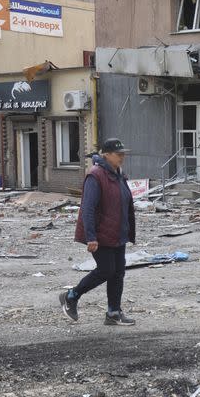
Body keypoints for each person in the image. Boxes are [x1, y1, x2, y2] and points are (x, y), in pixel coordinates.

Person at [59, 138, 136, 326]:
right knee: (106, 270)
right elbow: (88, 208)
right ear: (106, 155)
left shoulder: (119, 175)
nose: (122, 157)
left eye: (123, 154)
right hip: (101, 235)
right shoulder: (96, 175)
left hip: (118, 234)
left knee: (118, 272)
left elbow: (125, 204)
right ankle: (71, 296)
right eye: (119, 154)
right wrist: (91, 236)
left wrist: (129, 232)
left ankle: (113, 313)